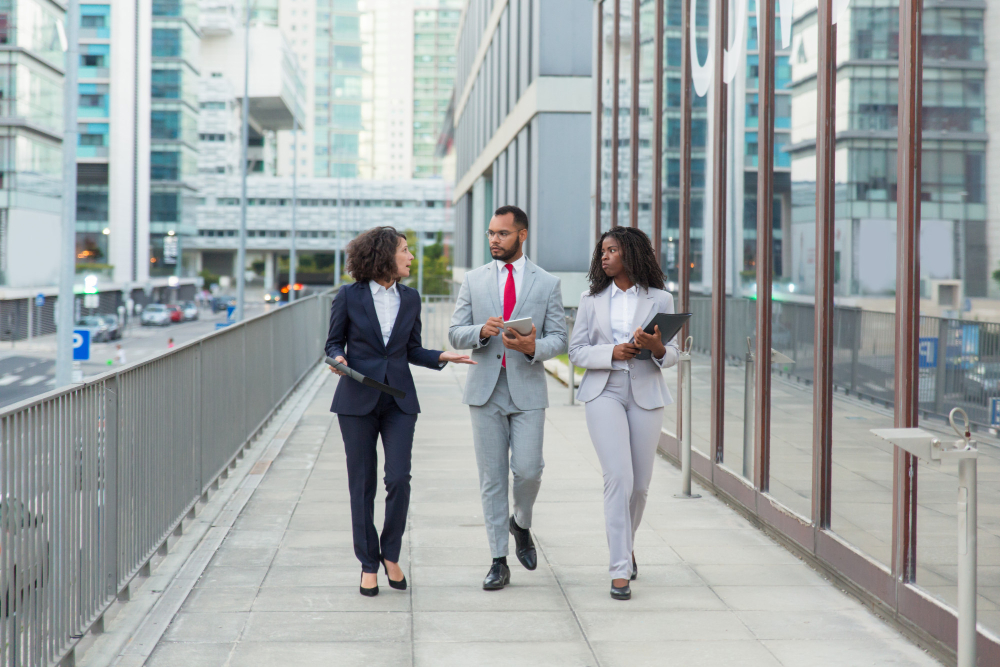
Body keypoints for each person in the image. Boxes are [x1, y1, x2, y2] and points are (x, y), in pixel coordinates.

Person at [326, 226, 474, 597]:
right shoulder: (348, 296)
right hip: (357, 400)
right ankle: (368, 563)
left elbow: (411, 349)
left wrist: (443, 356)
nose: (411, 257)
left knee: (399, 478)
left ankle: (390, 552)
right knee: (362, 485)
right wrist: (338, 358)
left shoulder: (411, 298)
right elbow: (332, 343)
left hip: (399, 402)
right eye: (405, 251)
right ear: (384, 256)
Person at [449, 205, 567, 590]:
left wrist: (534, 347)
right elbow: (455, 332)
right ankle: (498, 559)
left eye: (502, 233)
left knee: (530, 470)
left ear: (522, 235)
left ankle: (522, 523)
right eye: (490, 233)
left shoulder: (547, 283)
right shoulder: (473, 280)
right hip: (484, 390)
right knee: (492, 478)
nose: (494, 240)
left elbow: (559, 339)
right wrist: (480, 331)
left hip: (528, 388)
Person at [568, 226, 680, 601]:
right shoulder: (590, 299)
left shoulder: (661, 299)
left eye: (612, 250)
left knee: (641, 485)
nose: (604, 256)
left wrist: (657, 348)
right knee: (618, 477)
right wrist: (612, 352)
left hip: (646, 392)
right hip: (604, 391)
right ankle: (619, 569)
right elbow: (577, 351)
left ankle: (626, 544)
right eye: (602, 251)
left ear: (630, 254)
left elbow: (674, 354)